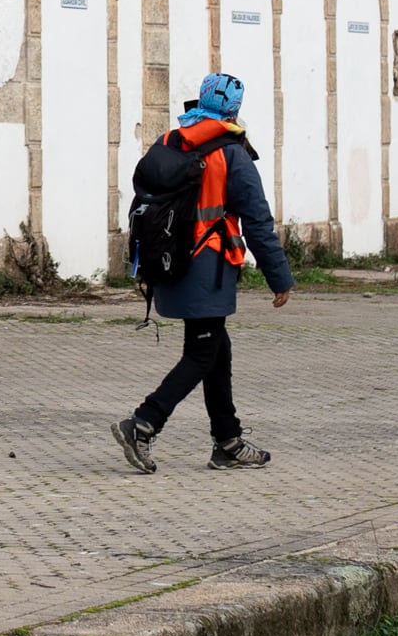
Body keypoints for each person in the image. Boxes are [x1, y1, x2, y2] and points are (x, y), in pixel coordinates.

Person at [112, 72, 290, 473]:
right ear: (234, 109)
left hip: (170, 261)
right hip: (207, 266)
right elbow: (257, 221)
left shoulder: (170, 141)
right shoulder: (231, 153)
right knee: (202, 352)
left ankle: (226, 441)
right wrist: (279, 278)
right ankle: (142, 424)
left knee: (216, 350)